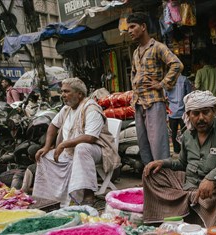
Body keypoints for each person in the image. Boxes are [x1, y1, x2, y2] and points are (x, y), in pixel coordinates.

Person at [142, 90, 216, 228]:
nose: (201, 118)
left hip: (215, 189)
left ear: (214, 111)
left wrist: (212, 178)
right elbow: (182, 163)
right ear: (189, 115)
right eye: (195, 114)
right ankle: (177, 209)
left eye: (205, 112)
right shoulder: (187, 135)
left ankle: (214, 233)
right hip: (190, 185)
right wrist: (163, 162)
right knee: (152, 174)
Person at [33, 78, 120, 207]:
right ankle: (52, 198)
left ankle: (88, 194)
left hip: (98, 150)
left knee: (82, 148)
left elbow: (90, 138)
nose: (62, 95)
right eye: (62, 91)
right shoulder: (66, 109)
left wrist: (63, 144)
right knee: (44, 156)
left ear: (79, 94)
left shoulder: (91, 108)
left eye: (66, 91)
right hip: (71, 151)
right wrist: (46, 146)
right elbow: (53, 125)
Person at [127, 12, 183, 165]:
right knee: (144, 145)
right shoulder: (136, 52)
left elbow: (177, 64)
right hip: (139, 103)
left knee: (158, 144)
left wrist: (162, 84)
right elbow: (134, 74)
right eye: (128, 29)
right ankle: (151, 180)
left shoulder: (158, 47)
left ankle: (163, 180)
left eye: (133, 27)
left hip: (154, 102)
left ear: (143, 27)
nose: (130, 31)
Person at [166, 70, 192, 154]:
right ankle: (185, 150)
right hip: (183, 111)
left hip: (172, 111)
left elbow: (165, 96)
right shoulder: (184, 79)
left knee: (173, 132)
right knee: (185, 132)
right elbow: (189, 95)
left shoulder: (167, 81)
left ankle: (176, 150)